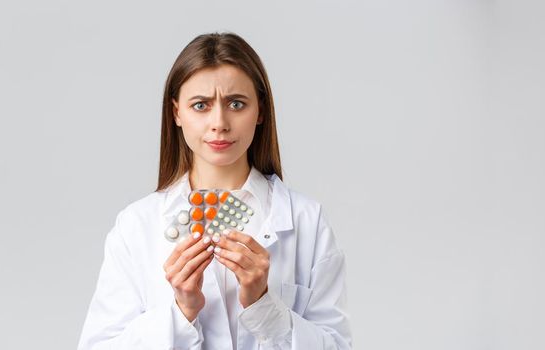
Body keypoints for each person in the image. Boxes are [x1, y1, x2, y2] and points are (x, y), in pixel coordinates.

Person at [77, 32, 352, 349]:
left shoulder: (306, 220)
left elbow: (337, 345)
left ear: (260, 111)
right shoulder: (137, 225)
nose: (219, 122)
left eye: (237, 103)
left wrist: (264, 305)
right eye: (200, 105)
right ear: (177, 113)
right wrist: (181, 311)